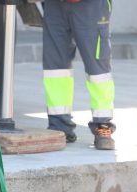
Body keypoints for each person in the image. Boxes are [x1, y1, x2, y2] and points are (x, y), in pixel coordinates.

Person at [42, 0, 116, 150]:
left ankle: (102, 123)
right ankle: (59, 124)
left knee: (98, 70)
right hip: (55, 5)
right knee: (56, 70)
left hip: (91, 6)